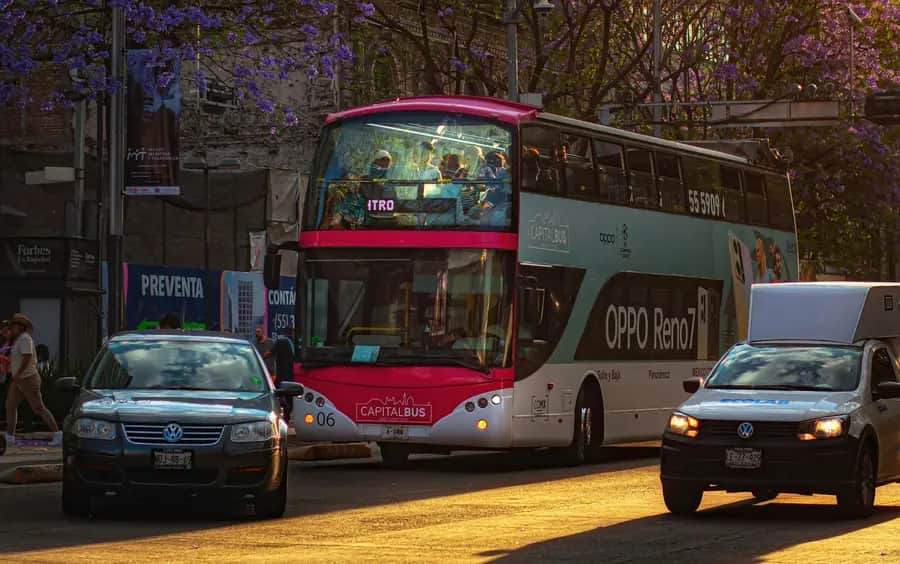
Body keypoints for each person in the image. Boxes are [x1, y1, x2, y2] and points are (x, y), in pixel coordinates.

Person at [4, 314, 61, 447]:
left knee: (38, 407)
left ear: (19, 327)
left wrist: (18, 372)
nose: (11, 329)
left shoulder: (25, 339)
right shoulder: (18, 340)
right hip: (18, 379)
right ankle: (9, 436)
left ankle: (58, 434)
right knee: (10, 405)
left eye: (13, 326)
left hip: (28, 378)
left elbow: (27, 356)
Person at [273, 328, 296, 422]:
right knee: (289, 397)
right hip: (293, 375)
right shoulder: (295, 343)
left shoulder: (281, 342)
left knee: (281, 396)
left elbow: (270, 353)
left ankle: (285, 416)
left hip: (283, 375)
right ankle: (287, 416)